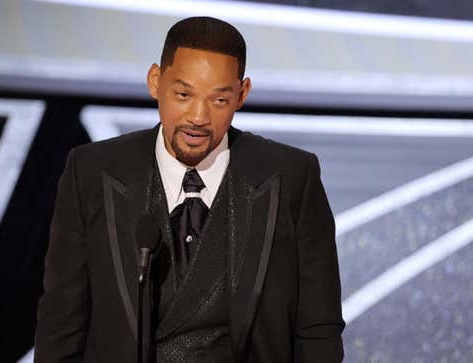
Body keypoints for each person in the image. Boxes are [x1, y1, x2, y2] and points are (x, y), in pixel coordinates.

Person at [35, 16, 344, 363]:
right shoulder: (90, 171)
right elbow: (61, 323)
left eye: (219, 100)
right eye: (183, 94)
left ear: (241, 95)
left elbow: (319, 327)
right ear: (155, 81)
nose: (198, 116)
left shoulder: (291, 178)